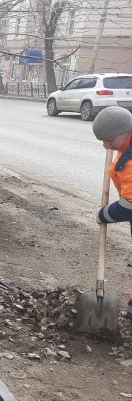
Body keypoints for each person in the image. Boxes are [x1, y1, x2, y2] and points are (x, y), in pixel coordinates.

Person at [92, 106, 132, 321]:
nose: (105, 145)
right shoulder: (126, 146)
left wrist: (104, 214)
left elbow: (129, 207)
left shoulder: (130, 161)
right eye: (102, 141)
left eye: (109, 140)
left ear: (125, 131)